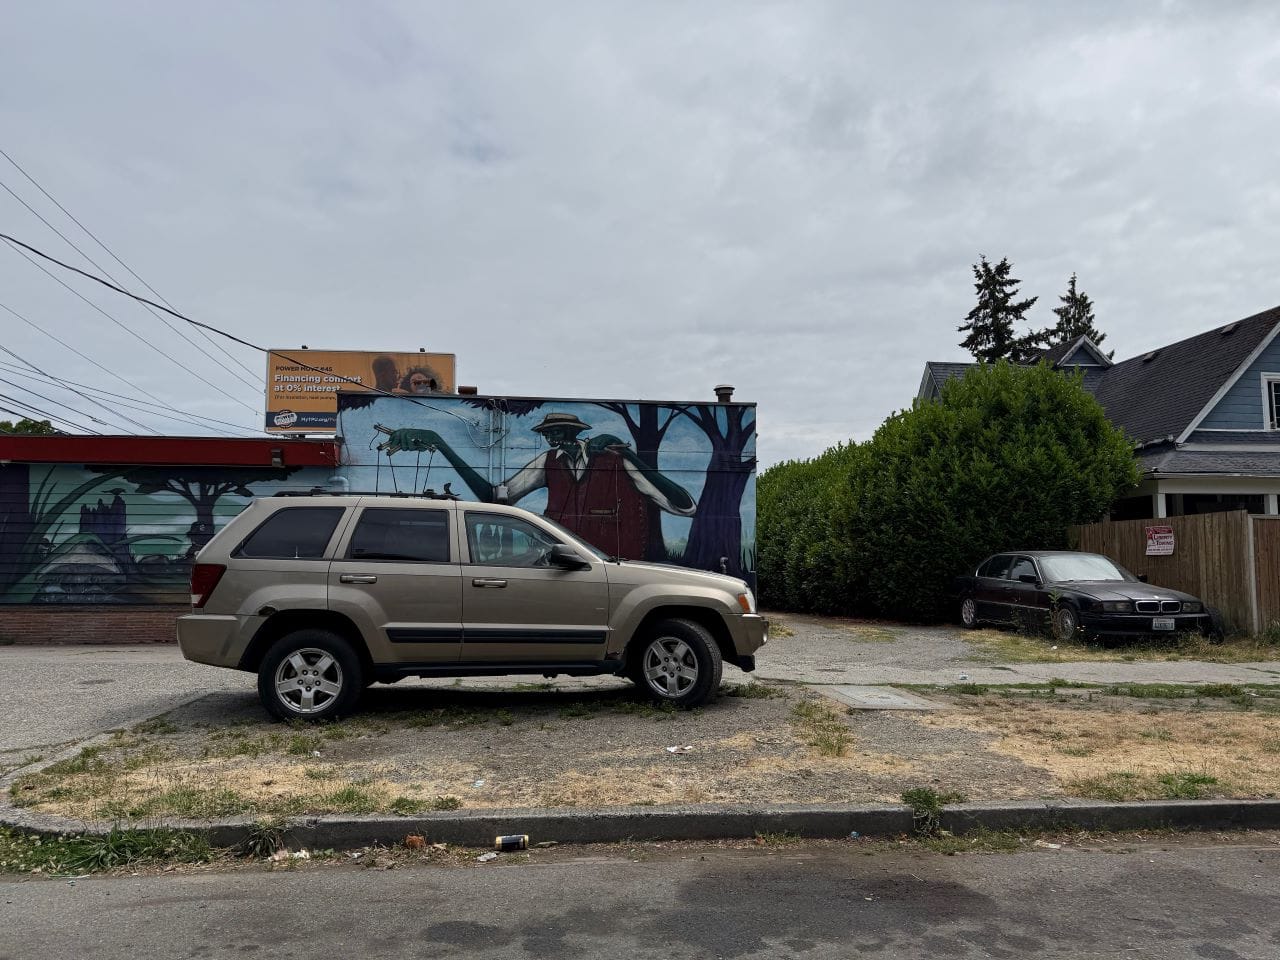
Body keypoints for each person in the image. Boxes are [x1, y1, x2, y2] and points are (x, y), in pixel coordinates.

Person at [375, 412, 695, 558]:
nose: (552, 437)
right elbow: (496, 497)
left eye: (557, 431)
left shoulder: (612, 458)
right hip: (563, 568)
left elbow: (683, 505)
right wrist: (441, 444)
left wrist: (629, 455)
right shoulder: (547, 462)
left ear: (574, 433)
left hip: (614, 569)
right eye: (547, 432)